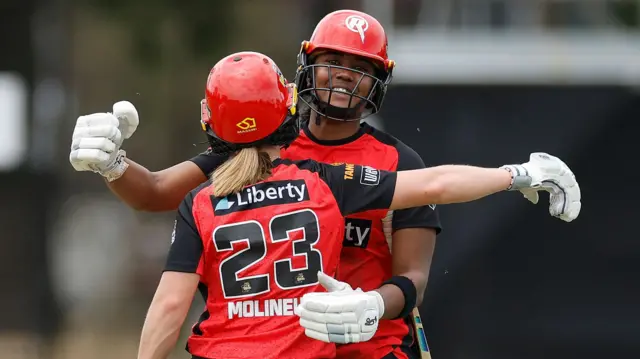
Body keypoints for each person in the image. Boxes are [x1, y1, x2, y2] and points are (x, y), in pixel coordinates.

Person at [67, 9, 571, 359]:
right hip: (291, 346)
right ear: (307, 66)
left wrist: (373, 304)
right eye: (334, 61)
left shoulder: (396, 158)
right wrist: (113, 166)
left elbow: (413, 278)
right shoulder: (267, 150)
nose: (343, 77)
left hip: (370, 342)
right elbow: (156, 191)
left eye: (359, 68)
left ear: (379, 81)